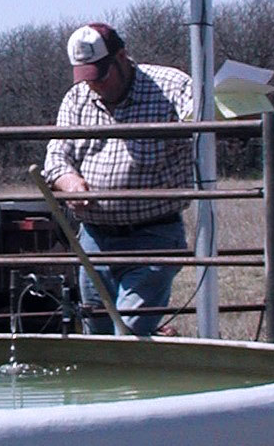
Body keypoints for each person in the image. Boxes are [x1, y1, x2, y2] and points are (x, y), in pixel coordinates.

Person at [42, 22, 195, 337]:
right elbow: (56, 156)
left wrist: (234, 119)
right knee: (97, 332)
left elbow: (208, 126)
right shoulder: (77, 98)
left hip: (154, 237)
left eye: (101, 75)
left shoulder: (173, 87)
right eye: (86, 77)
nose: (94, 85)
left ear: (122, 57)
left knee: (129, 329)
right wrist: (69, 182)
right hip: (94, 239)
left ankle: (140, 380)